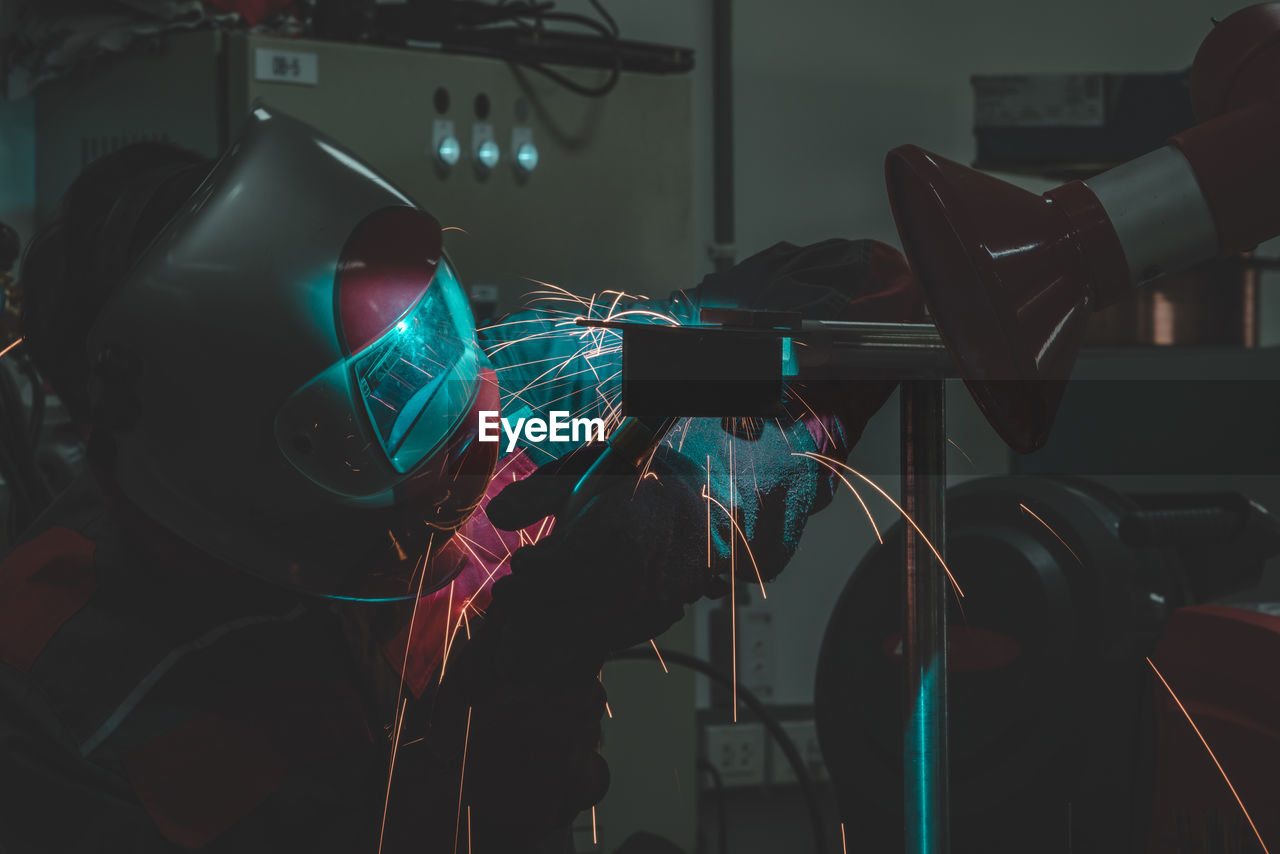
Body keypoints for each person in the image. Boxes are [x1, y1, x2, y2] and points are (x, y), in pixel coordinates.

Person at [0, 107, 921, 852]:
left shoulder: (447, 400)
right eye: (389, 402)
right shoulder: (69, 702)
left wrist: (762, 403)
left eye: (431, 345)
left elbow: (811, 326)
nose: (473, 426)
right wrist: (530, 676)